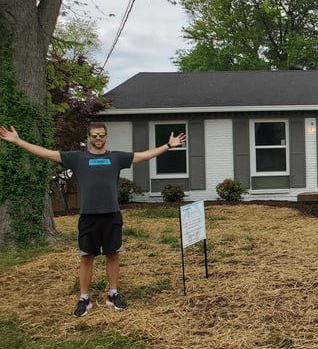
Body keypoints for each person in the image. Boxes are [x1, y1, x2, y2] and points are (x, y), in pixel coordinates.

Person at [0, 121, 186, 317]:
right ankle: (84, 298)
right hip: (88, 217)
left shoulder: (116, 158)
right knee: (86, 257)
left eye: (101, 135)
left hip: (112, 215)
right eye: (94, 135)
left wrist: (167, 146)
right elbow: (46, 153)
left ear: (106, 136)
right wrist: (18, 141)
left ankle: (112, 295)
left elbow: (143, 155)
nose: (98, 139)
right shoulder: (77, 158)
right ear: (88, 138)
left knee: (113, 255)